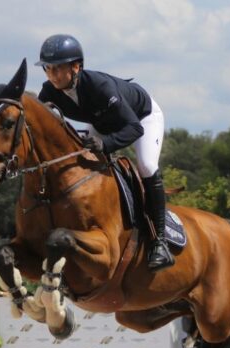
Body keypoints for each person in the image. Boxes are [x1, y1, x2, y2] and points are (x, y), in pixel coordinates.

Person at [35, 34, 173, 271]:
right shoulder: (48, 91)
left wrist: (106, 145)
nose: (53, 75)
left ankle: (160, 241)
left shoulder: (100, 87)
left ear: (76, 66)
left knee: (147, 166)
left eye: (58, 69)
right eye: (48, 69)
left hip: (141, 117)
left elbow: (134, 128)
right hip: (101, 122)